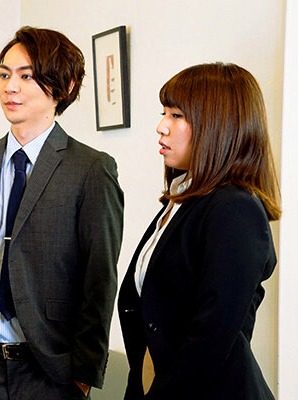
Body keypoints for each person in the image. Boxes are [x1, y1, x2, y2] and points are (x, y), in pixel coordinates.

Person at [0, 26, 123, 399]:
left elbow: (99, 279)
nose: (10, 87)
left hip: (52, 371)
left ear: (65, 86)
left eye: (26, 76)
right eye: (4, 75)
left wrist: (83, 373)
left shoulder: (91, 169)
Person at [118, 63, 280, 400]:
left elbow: (211, 335)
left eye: (177, 115)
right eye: (164, 113)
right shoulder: (183, 199)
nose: (161, 127)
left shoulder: (234, 208)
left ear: (218, 125)